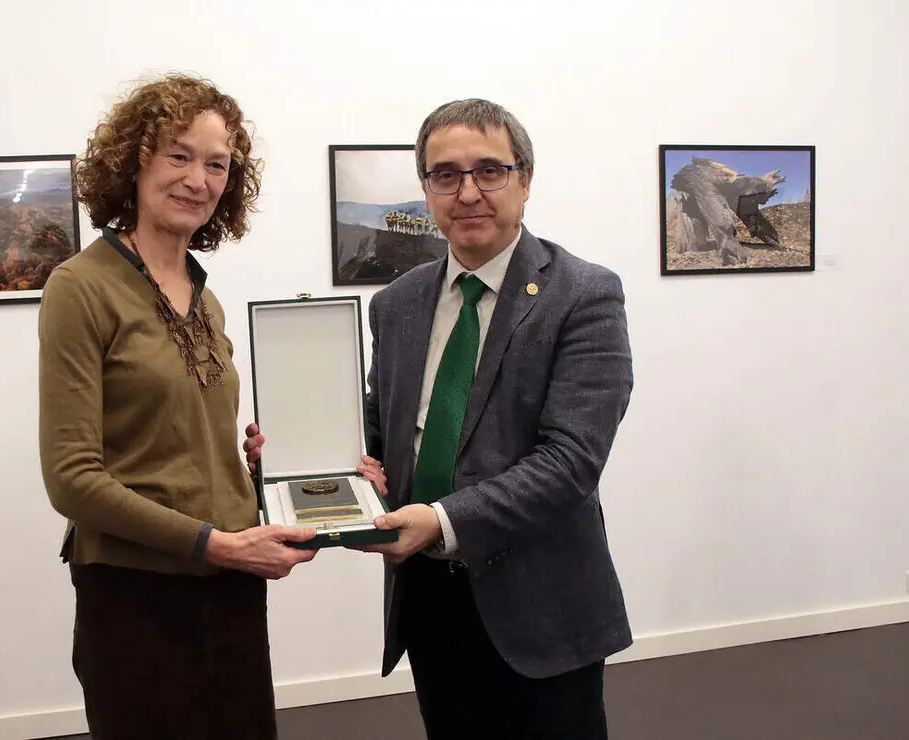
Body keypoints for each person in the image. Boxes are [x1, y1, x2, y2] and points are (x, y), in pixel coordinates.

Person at [37, 72, 317, 740]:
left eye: (216, 164)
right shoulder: (80, 288)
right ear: (134, 159)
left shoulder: (206, 297)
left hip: (231, 583)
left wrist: (258, 470)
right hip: (136, 593)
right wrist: (214, 543)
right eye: (179, 155)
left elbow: (182, 443)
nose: (198, 178)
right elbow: (72, 479)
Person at [354, 98, 634, 739]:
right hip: (427, 597)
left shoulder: (584, 294)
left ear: (525, 179)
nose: (468, 192)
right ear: (425, 188)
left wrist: (442, 520)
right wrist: (326, 463)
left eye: (490, 170)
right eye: (445, 174)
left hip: (539, 601)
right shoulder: (397, 303)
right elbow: (382, 428)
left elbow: (571, 461)